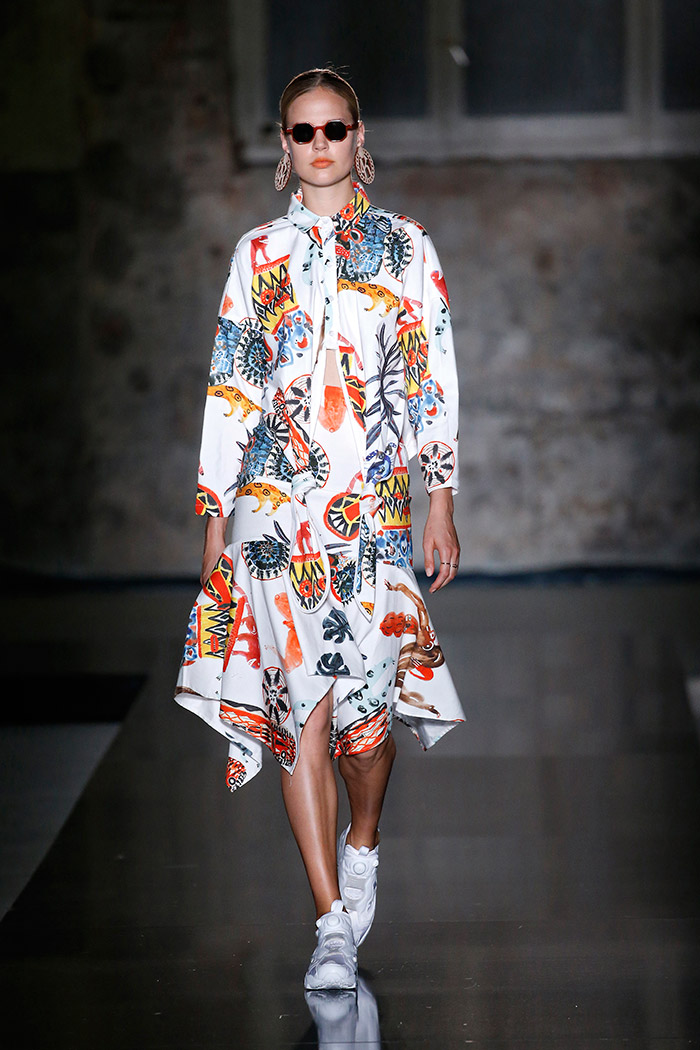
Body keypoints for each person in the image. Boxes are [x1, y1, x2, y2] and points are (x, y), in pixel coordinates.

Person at [174, 68, 465, 991]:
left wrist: (440, 497)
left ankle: (363, 841)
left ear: (359, 135)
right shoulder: (256, 254)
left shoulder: (406, 247)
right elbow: (231, 385)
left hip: (370, 507)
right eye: (304, 132)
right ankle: (330, 922)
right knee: (299, 711)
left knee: (365, 735)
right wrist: (215, 515)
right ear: (285, 144)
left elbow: (429, 376)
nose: (321, 145)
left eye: (335, 128)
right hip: (275, 511)